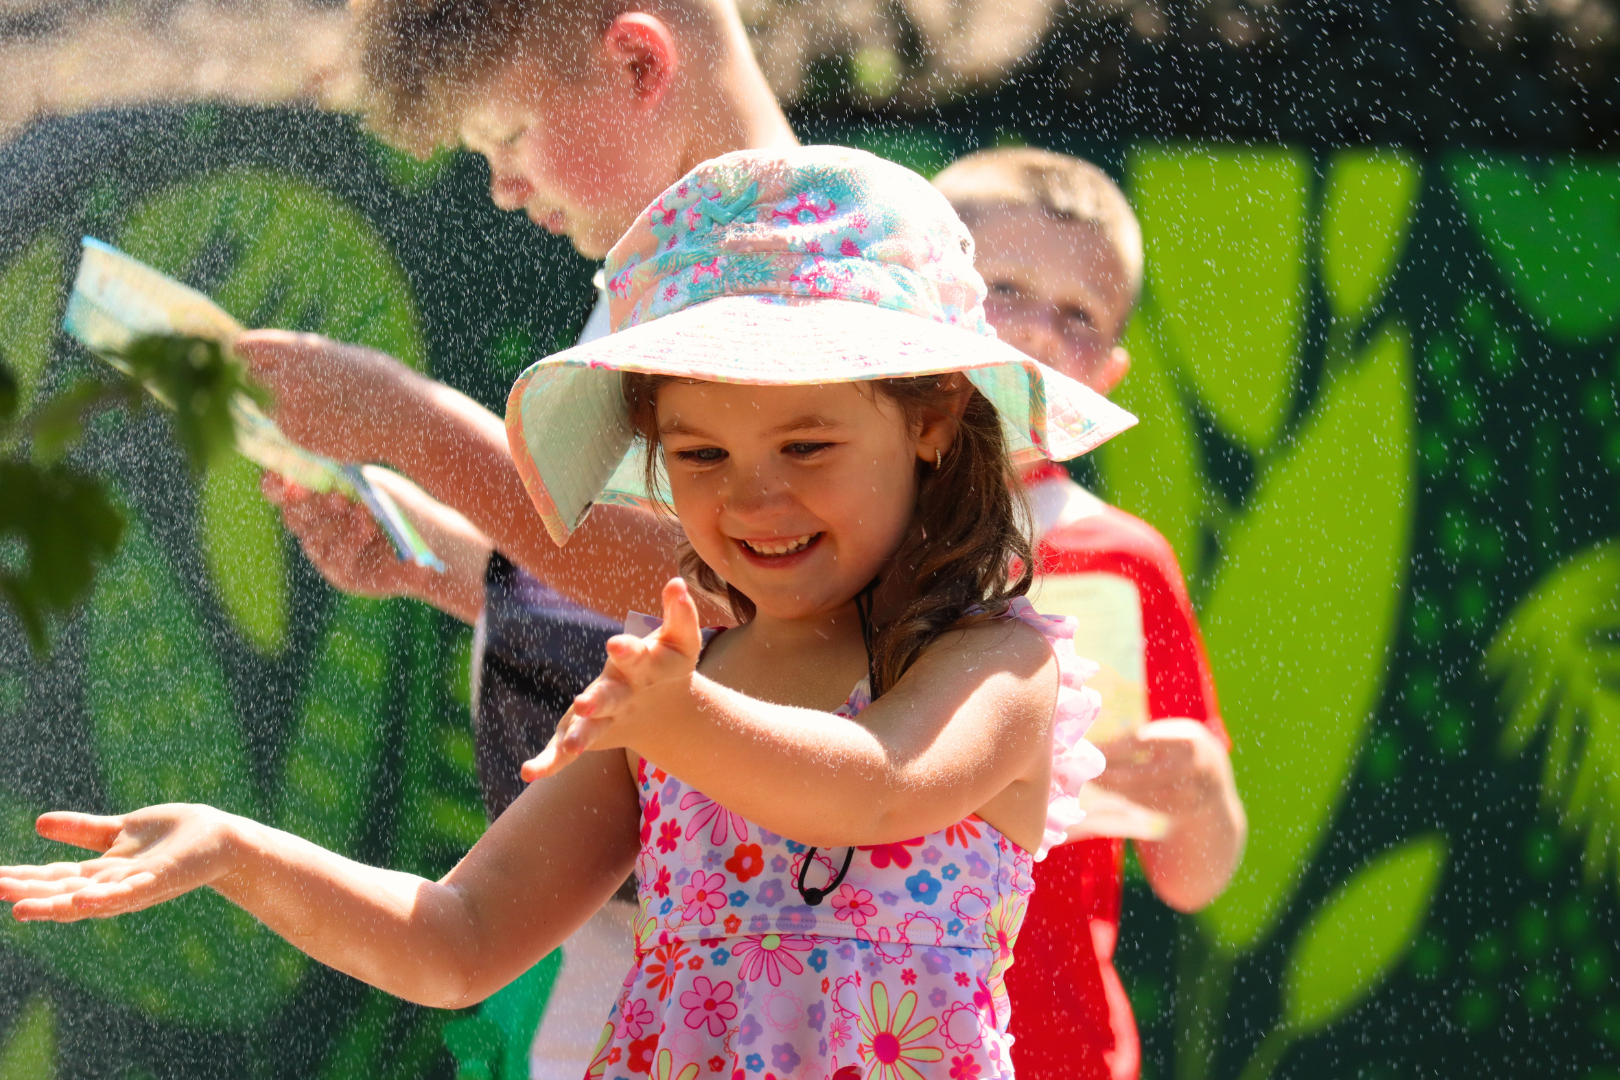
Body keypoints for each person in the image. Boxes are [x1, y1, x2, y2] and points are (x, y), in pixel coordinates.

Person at [1, 146, 1136, 1079]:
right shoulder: (676, 683)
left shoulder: (995, 665)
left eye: (809, 444)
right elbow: (456, 941)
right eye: (699, 453)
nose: (753, 496)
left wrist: (676, 720)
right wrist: (235, 850)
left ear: (934, 422)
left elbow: (874, 784)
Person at [239, 0, 799, 1069]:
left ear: (639, 61)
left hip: (760, 987)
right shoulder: (670, 274)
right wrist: (434, 560)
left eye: (507, 135)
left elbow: (723, 579)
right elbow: (659, 615)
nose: (500, 183)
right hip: (658, 958)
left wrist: (410, 422)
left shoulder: (790, 270)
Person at [933, 148, 1246, 1080]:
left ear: (1108, 375)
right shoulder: (829, 537)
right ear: (918, 305)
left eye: (1078, 317)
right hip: (845, 1033)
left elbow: (1194, 879)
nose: (1035, 334)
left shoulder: (1126, 562)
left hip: (1060, 1049)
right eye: (1003, 290)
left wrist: (1201, 794)